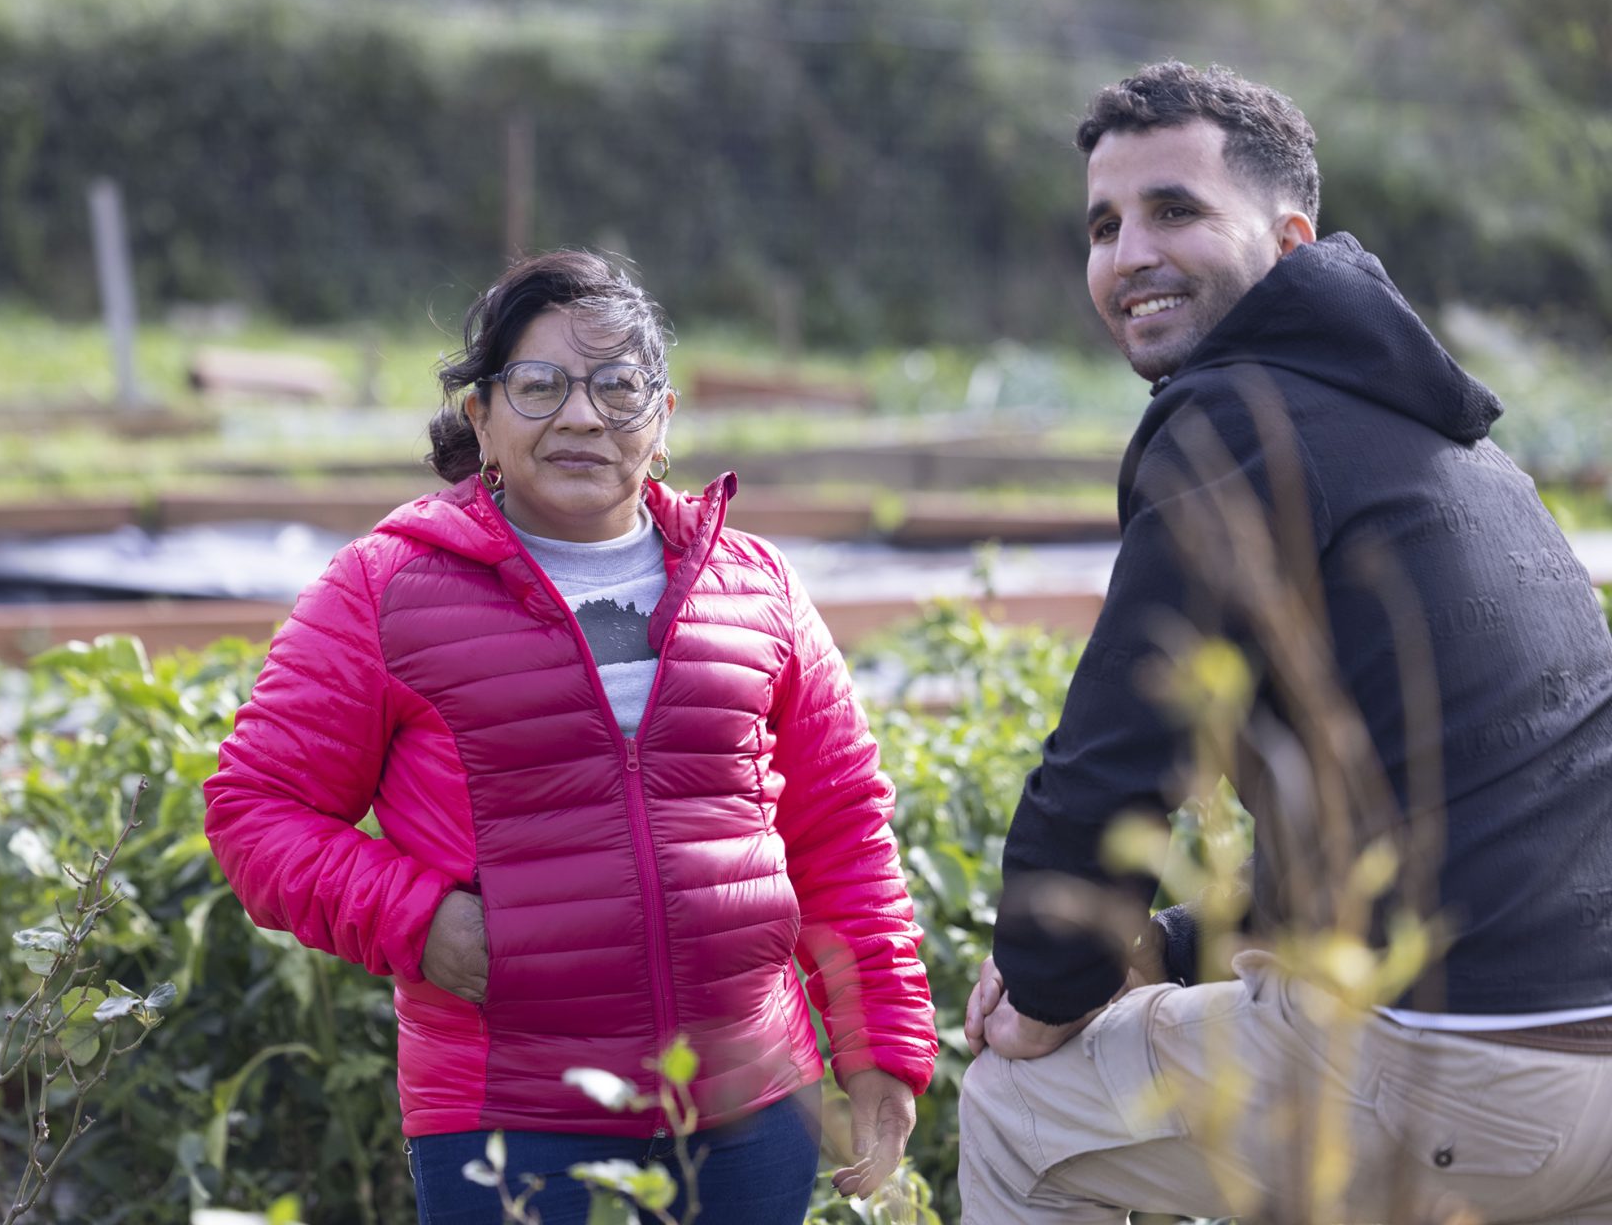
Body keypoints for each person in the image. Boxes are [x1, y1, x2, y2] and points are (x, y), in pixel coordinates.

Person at [957, 62, 1612, 1222]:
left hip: (1449, 1067)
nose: (1129, 253)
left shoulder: (1234, 420)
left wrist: (1053, 982)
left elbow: (1116, 755)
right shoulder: (1453, 447)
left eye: (1176, 209)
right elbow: (1417, 807)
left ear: (1290, 236)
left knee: (1021, 1101)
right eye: (1104, 224)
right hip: (1584, 1071)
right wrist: (1166, 940)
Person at [204, 249, 936, 1224]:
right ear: (483, 420)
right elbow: (256, 811)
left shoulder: (754, 586)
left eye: (618, 387)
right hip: (512, 1115)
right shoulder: (385, 588)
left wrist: (880, 1045)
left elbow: (840, 825)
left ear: (663, 420)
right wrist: (421, 919)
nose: (583, 417)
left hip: (754, 1106)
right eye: (540, 386)